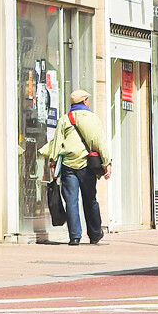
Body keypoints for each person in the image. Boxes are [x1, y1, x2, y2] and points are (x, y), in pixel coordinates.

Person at [47, 89, 112, 245]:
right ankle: (95, 234)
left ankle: (74, 236)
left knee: (71, 201)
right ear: (84, 101)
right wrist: (106, 162)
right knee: (90, 200)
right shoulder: (92, 118)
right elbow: (99, 142)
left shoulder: (65, 119)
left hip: (68, 164)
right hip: (86, 165)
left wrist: (53, 162)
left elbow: (57, 142)